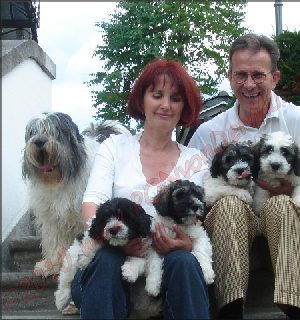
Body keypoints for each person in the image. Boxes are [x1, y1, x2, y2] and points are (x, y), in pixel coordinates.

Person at [188, 33, 300, 319]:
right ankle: (229, 308)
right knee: (228, 205)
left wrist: (295, 194)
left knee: (283, 205)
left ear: (275, 78)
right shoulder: (208, 133)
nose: (248, 84)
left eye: (258, 75)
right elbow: (190, 190)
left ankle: (296, 307)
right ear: (229, 77)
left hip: (289, 241)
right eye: (241, 75)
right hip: (233, 243)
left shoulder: (299, 120)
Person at [71, 59, 211, 319]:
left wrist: (185, 243)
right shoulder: (113, 147)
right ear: (142, 100)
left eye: (176, 98)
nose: (165, 105)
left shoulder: (196, 160)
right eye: (157, 95)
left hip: (166, 278)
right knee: (106, 259)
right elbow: (92, 204)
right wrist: (116, 242)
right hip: (108, 275)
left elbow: (196, 220)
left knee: (183, 260)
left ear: (185, 107)